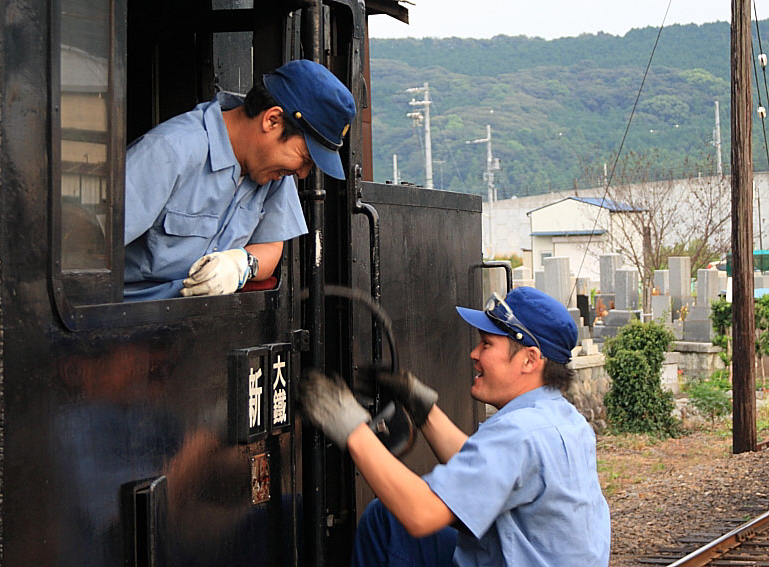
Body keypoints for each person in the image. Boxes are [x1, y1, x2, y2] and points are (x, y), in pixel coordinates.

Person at [299, 286, 611, 566]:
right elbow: (488, 472)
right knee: (386, 518)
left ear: (529, 360)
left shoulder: (519, 432)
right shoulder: (563, 419)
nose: (474, 354)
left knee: (391, 520)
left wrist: (351, 428)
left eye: (487, 345)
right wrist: (423, 410)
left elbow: (420, 514)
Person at [123, 60, 356, 301]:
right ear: (272, 120)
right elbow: (93, 251)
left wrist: (242, 265)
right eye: (305, 158)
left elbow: (271, 248)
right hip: (131, 319)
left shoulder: (272, 172)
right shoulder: (168, 151)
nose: (303, 173)